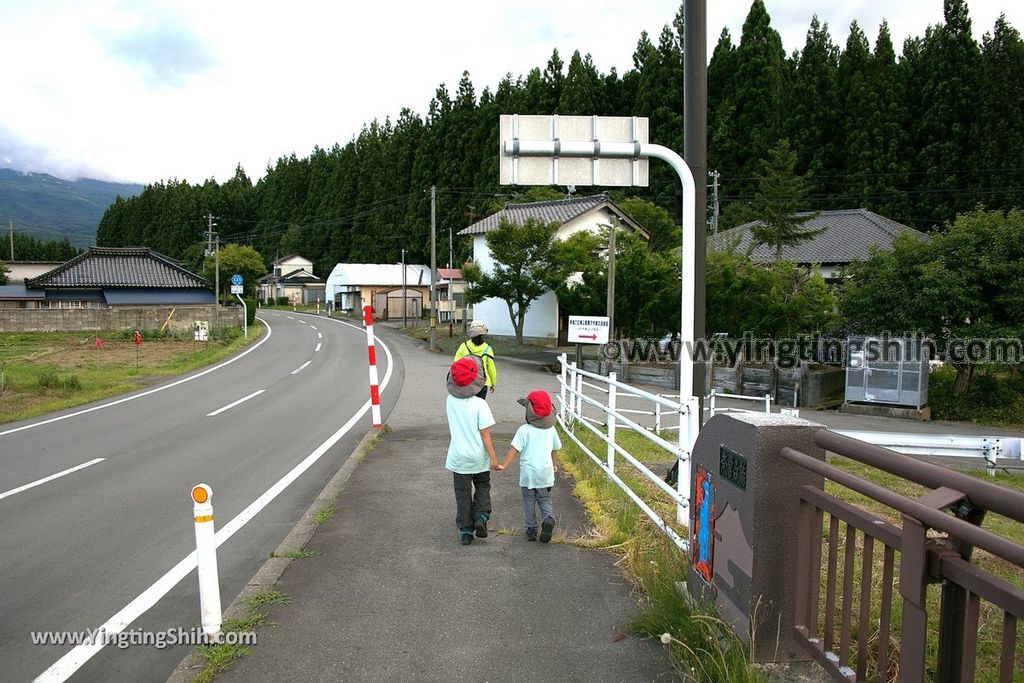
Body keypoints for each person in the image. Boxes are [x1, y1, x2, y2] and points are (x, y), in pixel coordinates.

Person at [445, 355, 503, 545]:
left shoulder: (450, 401)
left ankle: (466, 531)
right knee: (483, 487)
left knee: (462, 493)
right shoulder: (480, 405)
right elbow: (485, 434)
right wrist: (494, 459)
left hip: (458, 457)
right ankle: (481, 517)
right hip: (478, 458)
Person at [501, 390, 561, 543]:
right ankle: (548, 518)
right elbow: (555, 450)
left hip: (529, 474)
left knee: (528, 500)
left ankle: (531, 529)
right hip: (546, 473)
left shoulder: (524, 430)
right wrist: (554, 465)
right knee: (545, 499)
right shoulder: (551, 430)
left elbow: (514, 450)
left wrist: (503, 465)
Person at [453, 320, 496, 400]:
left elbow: (456, 364)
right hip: (482, 383)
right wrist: (493, 383)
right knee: (479, 406)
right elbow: (491, 368)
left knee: (467, 405)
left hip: (466, 382)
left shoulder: (463, 346)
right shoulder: (487, 349)